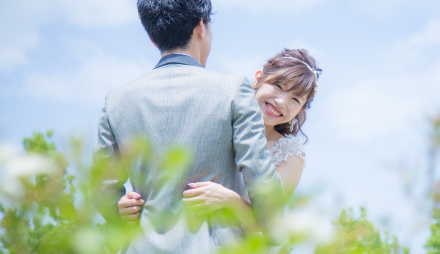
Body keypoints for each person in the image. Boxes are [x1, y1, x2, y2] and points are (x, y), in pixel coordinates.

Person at [90, 0, 283, 254]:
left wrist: (118, 211)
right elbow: (262, 182)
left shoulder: (116, 100)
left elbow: (101, 189)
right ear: (200, 27)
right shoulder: (233, 90)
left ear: (153, 39)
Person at [117, 48, 321, 235]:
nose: (281, 102)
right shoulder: (215, 119)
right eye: (278, 86)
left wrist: (230, 200)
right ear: (258, 79)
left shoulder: (290, 154)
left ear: (301, 110)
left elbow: (271, 224)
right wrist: (131, 204)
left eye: (295, 99)